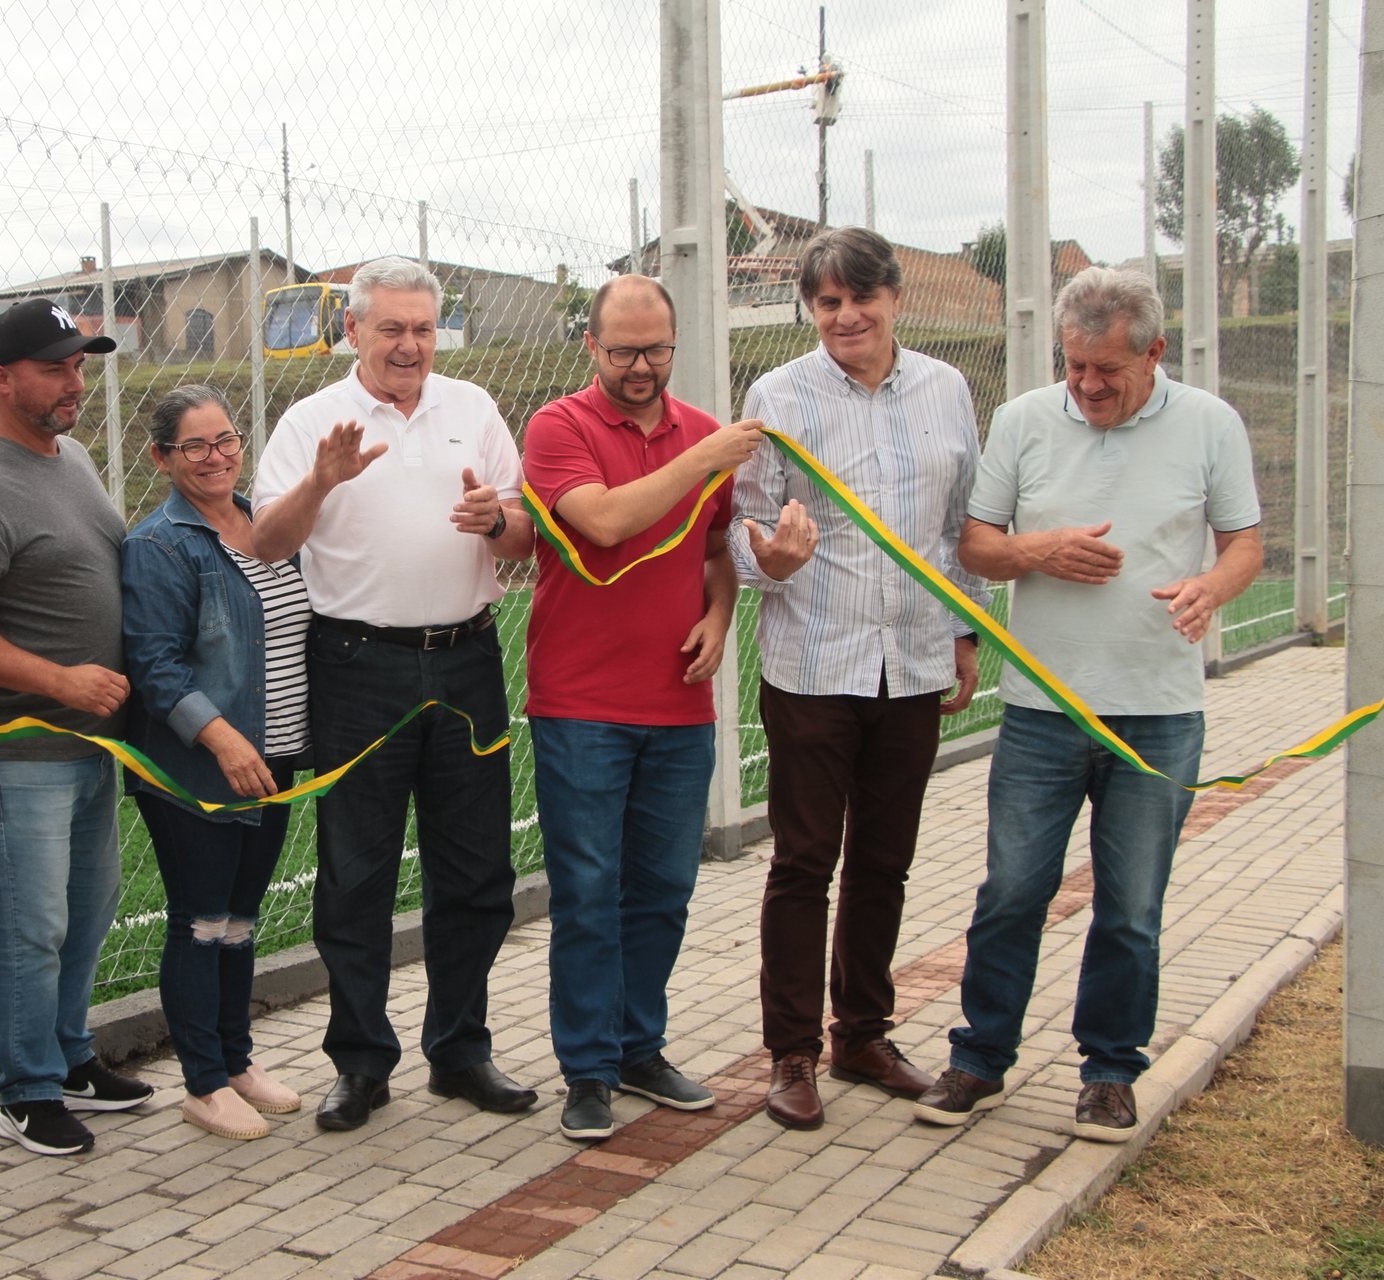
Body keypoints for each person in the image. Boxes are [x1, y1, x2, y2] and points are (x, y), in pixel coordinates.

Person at [914, 267, 1262, 1142]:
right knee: (1009, 894)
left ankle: (1109, 1070)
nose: (1091, 385)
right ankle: (979, 1058)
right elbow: (978, 546)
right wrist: (1041, 550)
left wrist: (1210, 591)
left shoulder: (1210, 425)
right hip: (1040, 712)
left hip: (1159, 712)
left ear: (1155, 352)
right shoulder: (1025, 421)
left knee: (1132, 907)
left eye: (1109, 368)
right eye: (1076, 367)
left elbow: (1246, 542)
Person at [251, 255, 538, 1132]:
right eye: (392, 329)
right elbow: (267, 541)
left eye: (423, 328)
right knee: (356, 875)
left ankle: (460, 1050)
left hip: (465, 662)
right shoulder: (312, 421)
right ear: (352, 331)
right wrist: (322, 483)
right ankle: (361, 1062)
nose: (410, 346)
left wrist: (499, 522)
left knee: (477, 869)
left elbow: (526, 537)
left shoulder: (476, 409)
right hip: (355, 668)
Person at [731, 226, 992, 1131]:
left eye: (860, 299)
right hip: (815, 662)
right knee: (806, 860)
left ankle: (864, 1034)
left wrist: (963, 630)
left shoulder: (946, 388)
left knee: (886, 858)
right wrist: (777, 562)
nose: (845, 316)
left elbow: (959, 524)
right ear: (811, 309)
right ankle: (792, 1052)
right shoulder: (779, 394)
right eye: (827, 302)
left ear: (894, 299)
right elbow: (743, 526)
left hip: (913, 659)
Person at [522, 276, 778, 1141]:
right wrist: (702, 460)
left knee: (663, 889)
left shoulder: (704, 434)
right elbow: (601, 522)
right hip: (581, 702)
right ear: (590, 346)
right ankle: (587, 1068)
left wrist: (718, 612)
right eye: (625, 350)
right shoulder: (560, 428)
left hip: (678, 703)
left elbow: (714, 551)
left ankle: (640, 1046)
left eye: (657, 349)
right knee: (589, 890)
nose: (642, 366)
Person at [0, 298, 153, 1160]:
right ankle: (23, 1092)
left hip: (90, 746)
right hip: (14, 754)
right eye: (55, 368)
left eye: (80, 367)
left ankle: (69, 1056)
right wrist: (58, 680)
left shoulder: (76, 459)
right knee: (31, 925)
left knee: (86, 915)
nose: (74, 383)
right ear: (0, 376)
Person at [121, 385, 311, 1141]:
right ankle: (202, 1081)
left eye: (226, 440)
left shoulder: (265, 525)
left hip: (277, 759)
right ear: (162, 458)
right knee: (201, 920)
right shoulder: (158, 545)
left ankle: (237, 1061)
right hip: (199, 770)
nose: (216, 457)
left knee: (240, 920)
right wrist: (222, 738)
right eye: (195, 446)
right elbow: (156, 665)